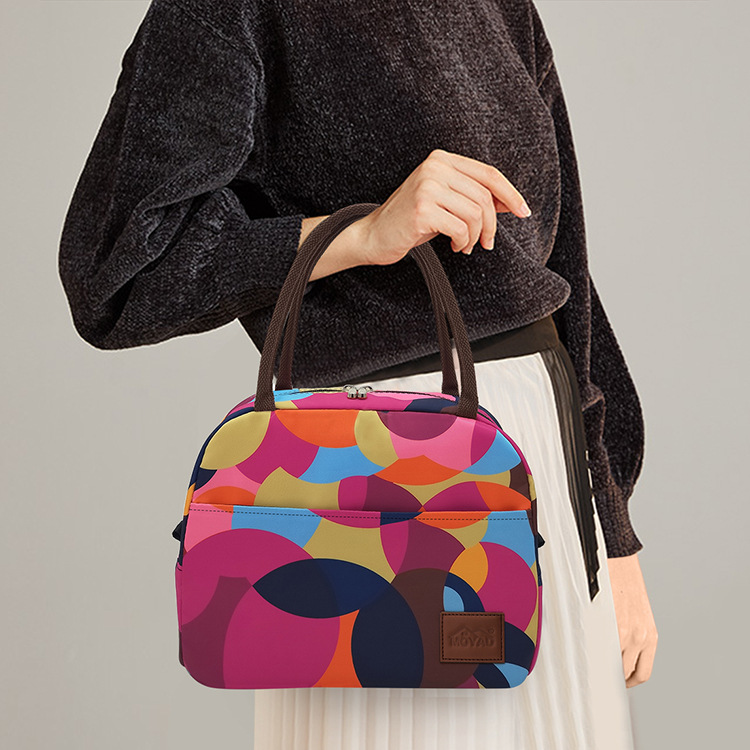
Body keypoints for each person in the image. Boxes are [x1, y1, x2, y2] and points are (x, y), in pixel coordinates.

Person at [58, 0, 658, 747]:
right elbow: (118, 277)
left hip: (543, 463)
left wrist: (615, 535)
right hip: (370, 486)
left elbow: (566, 272)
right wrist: (361, 233)